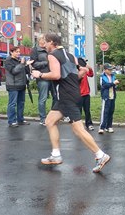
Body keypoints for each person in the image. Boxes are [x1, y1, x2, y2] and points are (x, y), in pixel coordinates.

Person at [30, 33, 110, 173]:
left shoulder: (53, 55)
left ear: (52, 43)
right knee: (50, 121)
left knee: (78, 129)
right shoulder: (70, 55)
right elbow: (78, 75)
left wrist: (40, 75)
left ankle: (100, 155)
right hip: (71, 94)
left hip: (66, 95)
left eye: (46, 43)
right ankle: (56, 155)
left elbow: (56, 75)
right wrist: (83, 71)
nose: (44, 45)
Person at [4, 46, 33, 127]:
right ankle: (12, 121)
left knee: (21, 103)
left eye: (19, 51)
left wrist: (27, 65)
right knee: (12, 104)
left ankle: (20, 119)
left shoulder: (20, 60)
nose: (18, 53)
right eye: (16, 52)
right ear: (11, 52)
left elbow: (26, 71)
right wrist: (22, 64)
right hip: (13, 85)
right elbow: (14, 71)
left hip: (22, 84)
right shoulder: (8, 60)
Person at [30, 35, 52, 126]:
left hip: (53, 75)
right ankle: (43, 118)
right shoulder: (35, 50)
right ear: (40, 41)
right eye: (44, 40)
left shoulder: (49, 49)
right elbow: (34, 64)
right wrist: (46, 62)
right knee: (42, 98)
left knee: (56, 97)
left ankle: (52, 116)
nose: (46, 41)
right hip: (42, 77)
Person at [98, 63, 119, 134]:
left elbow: (115, 85)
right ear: (105, 70)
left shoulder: (113, 76)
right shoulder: (102, 77)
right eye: (109, 69)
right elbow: (104, 85)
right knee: (105, 112)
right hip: (106, 96)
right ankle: (102, 127)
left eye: (111, 69)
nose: (110, 70)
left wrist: (115, 85)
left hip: (112, 96)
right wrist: (113, 83)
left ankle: (109, 126)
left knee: (111, 111)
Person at [77, 57, 95, 131]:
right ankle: (79, 125)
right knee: (79, 111)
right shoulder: (76, 71)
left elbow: (91, 74)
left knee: (87, 110)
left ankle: (89, 124)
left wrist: (89, 68)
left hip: (86, 93)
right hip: (79, 94)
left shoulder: (85, 70)